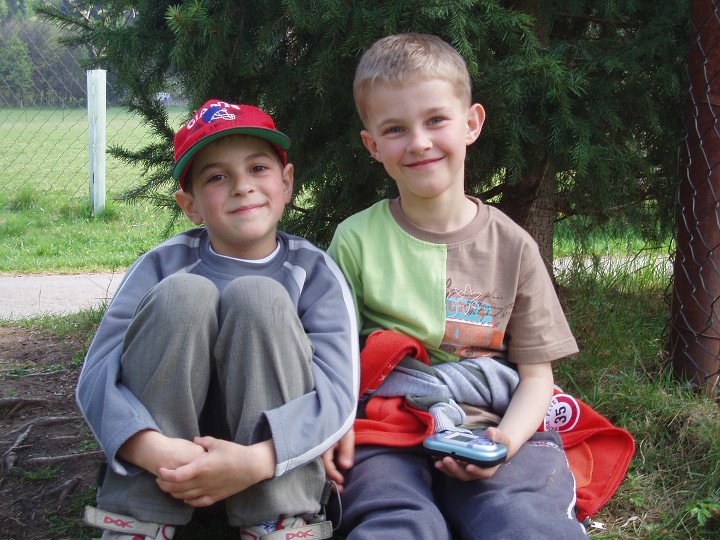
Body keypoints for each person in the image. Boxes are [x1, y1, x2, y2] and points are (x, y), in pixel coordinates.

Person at [322, 33, 589, 539]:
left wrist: (504, 443)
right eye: (395, 129)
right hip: (388, 428)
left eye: (435, 120)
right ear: (372, 145)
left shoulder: (514, 247)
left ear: (471, 124)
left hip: (490, 425)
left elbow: (536, 378)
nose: (419, 142)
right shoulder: (355, 241)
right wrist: (331, 432)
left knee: (524, 522)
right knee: (393, 519)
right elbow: (331, 362)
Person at [76, 99, 359, 540]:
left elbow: (338, 393)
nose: (243, 186)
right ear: (189, 204)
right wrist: (151, 449)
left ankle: (277, 520)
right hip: (166, 464)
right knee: (184, 295)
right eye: (217, 177)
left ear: (287, 183)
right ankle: (140, 519)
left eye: (258, 168)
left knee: (259, 298)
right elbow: (97, 378)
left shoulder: (315, 272)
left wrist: (260, 459)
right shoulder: (161, 266)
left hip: (267, 466)